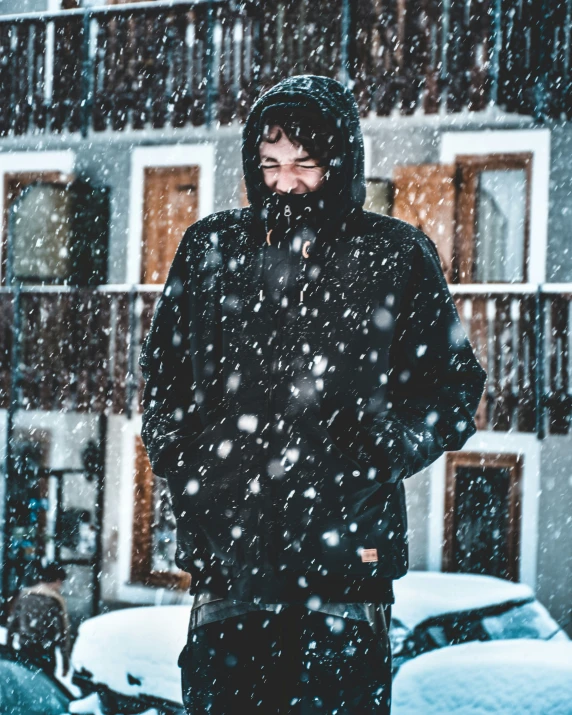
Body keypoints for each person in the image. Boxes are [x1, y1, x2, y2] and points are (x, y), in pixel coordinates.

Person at [140, 75, 487, 714]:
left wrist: (391, 447)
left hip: (346, 580)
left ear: (340, 161)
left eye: (304, 163)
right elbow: (162, 385)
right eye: (270, 164)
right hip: (229, 577)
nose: (285, 181)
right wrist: (190, 467)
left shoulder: (395, 255)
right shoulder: (210, 248)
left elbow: (457, 386)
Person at [7, 561, 71, 676]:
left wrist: (9, 650)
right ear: (57, 581)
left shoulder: (25, 596)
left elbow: (12, 625)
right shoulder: (55, 601)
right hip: (46, 653)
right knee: (45, 687)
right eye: (61, 583)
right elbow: (63, 634)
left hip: (24, 650)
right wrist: (65, 663)